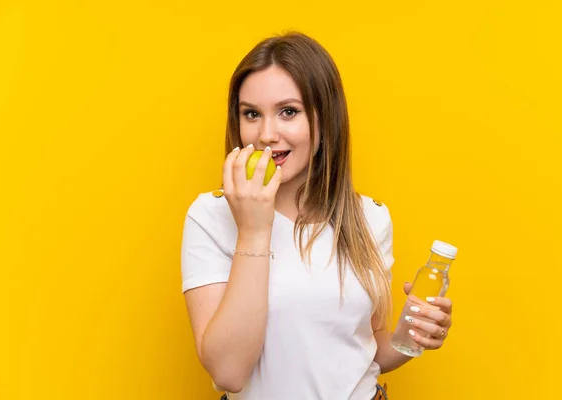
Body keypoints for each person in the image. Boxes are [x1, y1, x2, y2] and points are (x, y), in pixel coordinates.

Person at [180, 31, 453, 400]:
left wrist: (410, 336)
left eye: (288, 112)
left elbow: (365, 348)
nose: (266, 134)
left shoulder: (370, 219)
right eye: (251, 114)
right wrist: (254, 229)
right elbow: (229, 372)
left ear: (325, 120)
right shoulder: (210, 217)